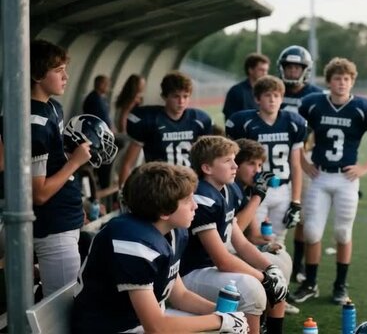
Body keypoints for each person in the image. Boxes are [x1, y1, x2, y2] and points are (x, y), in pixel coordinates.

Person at [72, 162, 248, 333]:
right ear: (165, 211)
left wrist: (224, 314)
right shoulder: (132, 241)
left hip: (140, 323)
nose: (195, 205)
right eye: (187, 200)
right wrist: (220, 321)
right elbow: (156, 327)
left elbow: (180, 296)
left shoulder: (173, 231)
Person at [290, 57, 367, 305]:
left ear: (352, 81)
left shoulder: (362, 108)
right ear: (329, 81)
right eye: (337, 78)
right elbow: (297, 139)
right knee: (312, 231)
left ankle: (340, 285)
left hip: (346, 180)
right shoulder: (313, 105)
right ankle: (310, 283)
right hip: (321, 176)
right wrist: (304, 163)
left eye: (346, 79)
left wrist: (364, 168)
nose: (342, 83)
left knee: (343, 232)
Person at [0, 40, 92, 297]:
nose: (66, 76)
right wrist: (75, 161)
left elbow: (53, 166)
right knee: (61, 306)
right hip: (52, 224)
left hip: (63, 216)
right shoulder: (34, 122)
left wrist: (76, 208)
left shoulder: (52, 106)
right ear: (37, 74)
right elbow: (38, 193)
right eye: (58, 70)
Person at [180, 136, 289, 334]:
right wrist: (264, 278)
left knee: (277, 273)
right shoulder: (202, 197)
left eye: (234, 159)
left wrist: (270, 270)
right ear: (207, 168)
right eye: (227, 160)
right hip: (192, 272)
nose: (234, 165)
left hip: (213, 265)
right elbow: (222, 260)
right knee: (252, 289)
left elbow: (241, 243)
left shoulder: (228, 190)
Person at [226, 75, 306, 245]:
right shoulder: (244, 122)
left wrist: (296, 201)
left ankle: (277, 271)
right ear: (257, 99)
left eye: (276, 96)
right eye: (267, 95)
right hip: (255, 189)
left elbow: (296, 164)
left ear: (282, 98)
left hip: (283, 188)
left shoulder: (294, 123)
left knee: (278, 241)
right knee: (254, 240)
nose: (272, 100)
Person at [233, 138, 300, 315]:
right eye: (251, 164)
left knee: (282, 255)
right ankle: (267, 311)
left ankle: (274, 306)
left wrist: (267, 243)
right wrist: (258, 196)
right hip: (219, 253)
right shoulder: (232, 188)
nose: (257, 170)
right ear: (236, 165)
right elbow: (234, 231)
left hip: (235, 246)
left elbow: (253, 234)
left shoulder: (244, 188)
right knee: (276, 265)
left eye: (260, 165)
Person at [276, 45, 325, 282]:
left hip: (302, 158)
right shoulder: (274, 90)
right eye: (289, 67)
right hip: (273, 158)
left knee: (301, 215)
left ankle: (297, 265)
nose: (293, 71)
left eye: (297, 67)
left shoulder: (315, 95)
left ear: (305, 70)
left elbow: (321, 128)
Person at [118, 71, 212, 186]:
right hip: (160, 184)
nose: (181, 102)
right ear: (164, 96)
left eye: (185, 96)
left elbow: (208, 160)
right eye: (176, 96)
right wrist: (122, 193)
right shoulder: (150, 120)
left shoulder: (199, 121)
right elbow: (128, 163)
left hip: (190, 183)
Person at [83, 75, 115, 190]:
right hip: (95, 136)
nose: (108, 87)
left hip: (99, 134)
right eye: (105, 84)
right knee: (110, 151)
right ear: (99, 84)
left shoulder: (100, 98)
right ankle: (104, 182)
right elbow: (101, 120)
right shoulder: (95, 99)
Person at [222, 53, 270, 122]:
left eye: (266, 70)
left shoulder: (270, 92)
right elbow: (230, 119)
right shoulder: (236, 91)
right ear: (250, 70)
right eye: (261, 70)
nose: (265, 73)